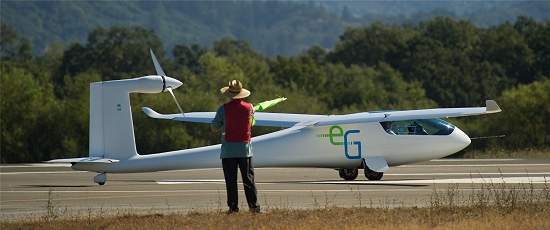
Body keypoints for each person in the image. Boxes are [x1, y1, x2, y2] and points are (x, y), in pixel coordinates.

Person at [212, 80, 260, 214]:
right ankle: (254, 207)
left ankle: (233, 208)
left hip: (228, 150)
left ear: (229, 94)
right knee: (248, 180)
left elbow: (214, 126)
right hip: (245, 149)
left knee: (231, 181)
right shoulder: (250, 107)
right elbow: (252, 124)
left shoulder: (223, 109)